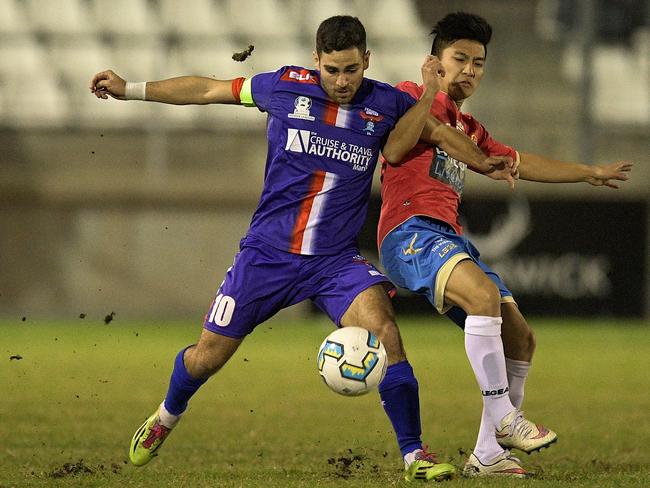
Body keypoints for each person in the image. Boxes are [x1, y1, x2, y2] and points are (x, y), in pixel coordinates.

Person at [90, 15, 517, 482]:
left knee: (387, 336)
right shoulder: (283, 87)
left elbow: (435, 132)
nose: (341, 81)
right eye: (332, 70)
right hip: (266, 256)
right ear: (316, 61)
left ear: (366, 62)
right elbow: (208, 89)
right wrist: (130, 87)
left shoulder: (387, 102)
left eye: (351, 70)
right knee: (206, 357)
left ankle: (415, 454)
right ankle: (167, 416)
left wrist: (482, 161)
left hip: (334, 263)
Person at [378, 12, 633, 478]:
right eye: (460, 58)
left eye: (479, 62)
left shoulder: (469, 127)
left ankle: (487, 454)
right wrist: (431, 92)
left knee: (519, 336)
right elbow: (395, 151)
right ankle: (505, 419)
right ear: (434, 62)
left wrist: (588, 172)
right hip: (409, 233)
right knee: (484, 297)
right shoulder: (410, 98)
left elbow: (518, 160)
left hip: (447, 237)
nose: (470, 70)